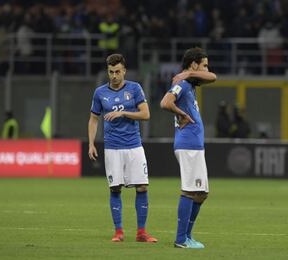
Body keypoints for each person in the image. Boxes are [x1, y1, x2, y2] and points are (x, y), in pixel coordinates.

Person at [88, 53, 157, 243]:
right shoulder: (100, 93)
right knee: (115, 188)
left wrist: (124, 113)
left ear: (124, 71)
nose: (114, 76)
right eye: (111, 72)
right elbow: (94, 119)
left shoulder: (134, 89)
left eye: (117, 71)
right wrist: (91, 143)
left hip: (134, 146)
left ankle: (141, 232)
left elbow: (146, 114)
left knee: (142, 187)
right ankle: (118, 232)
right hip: (112, 148)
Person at [160, 47, 217, 248]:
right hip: (188, 145)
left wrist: (192, 73)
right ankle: (180, 239)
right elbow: (165, 102)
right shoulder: (182, 84)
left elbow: (213, 77)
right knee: (190, 192)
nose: (207, 69)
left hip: (194, 145)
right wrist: (181, 114)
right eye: (204, 65)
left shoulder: (190, 83)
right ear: (194, 64)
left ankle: (187, 236)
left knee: (201, 193)